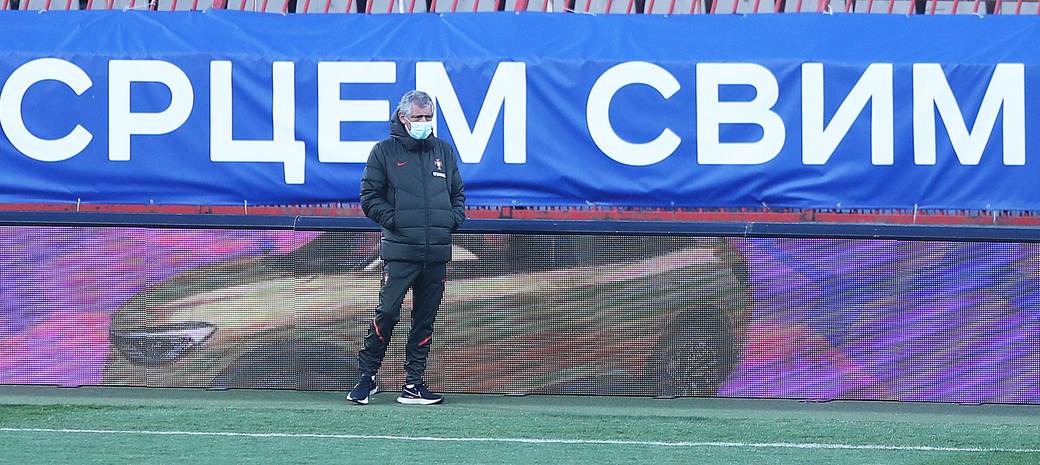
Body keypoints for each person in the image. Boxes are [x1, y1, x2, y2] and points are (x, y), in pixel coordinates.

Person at [347, 90, 466, 405]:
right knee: (387, 312)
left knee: (425, 319)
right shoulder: (383, 152)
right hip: (400, 251)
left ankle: (413, 385)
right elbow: (369, 198)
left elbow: (457, 195)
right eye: (418, 117)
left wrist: (450, 221)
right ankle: (367, 377)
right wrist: (395, 221)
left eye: (428, 117)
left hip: (436, 253)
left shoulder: (444, 151)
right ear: (403, 117)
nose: (424, 122)